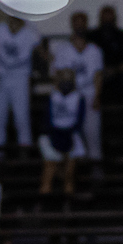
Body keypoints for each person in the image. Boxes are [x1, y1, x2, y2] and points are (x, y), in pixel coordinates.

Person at [49, 11, 103, 166]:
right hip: (70, 96)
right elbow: (57, 76)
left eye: (82, 22)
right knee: (70, 135)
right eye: (76, 22)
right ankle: (71, 170)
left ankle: (95, 168)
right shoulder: (63, 49)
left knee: (92, 134)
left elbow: (98, 75)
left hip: (89, 92)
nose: (79, 26)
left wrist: (97, 96)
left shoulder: (94, 50)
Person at [0, 14, 40, 157]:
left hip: (20, 79)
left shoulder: (30, 32)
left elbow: (42, 54)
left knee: (22, 118)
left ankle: (25, 156)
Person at [38, 68, 86, 198]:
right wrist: (57, 139)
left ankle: (68, 205)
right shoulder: (52, 97)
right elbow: (47, 121)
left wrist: (67, 138)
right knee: (49, 172)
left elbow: (79, 122)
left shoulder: (78, 98)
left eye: (68, 80)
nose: (66, 83)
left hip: (70, 136)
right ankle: (43, 204)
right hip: (52, 136)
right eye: (63, 80)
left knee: (69, 176)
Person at [88, 5, 123, 104]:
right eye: (105, 19)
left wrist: (114, 70)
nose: (107, 22)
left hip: (118, 73)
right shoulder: (91, 37)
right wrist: (101, 71)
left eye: (109, 19)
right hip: (97, 74)